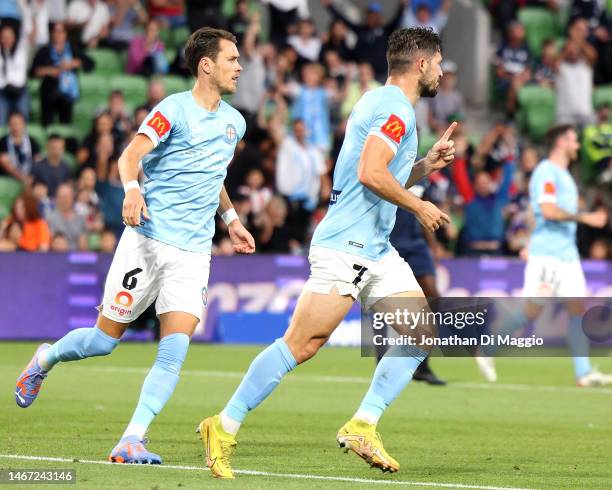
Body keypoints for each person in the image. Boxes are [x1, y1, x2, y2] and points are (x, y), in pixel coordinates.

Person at [198, 27, 456, 479]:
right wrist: (419, 204)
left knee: (421, 333)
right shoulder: (395, 109)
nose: (439, 71)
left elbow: (379, 175)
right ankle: (222, 424)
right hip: (347, 246)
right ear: (421, 64)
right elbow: (371, 172)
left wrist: (425, 166)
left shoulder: (384, 104)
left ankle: (363, 424)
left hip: (375, 247)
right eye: (437, 63)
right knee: (301, 345)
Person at [14, 28, 255, 466]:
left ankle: (131, 439)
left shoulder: (234, 122)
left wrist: (232, 220)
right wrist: (131, 189)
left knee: (174, 349)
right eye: (232, 59)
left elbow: (213, 175)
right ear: (207, 64)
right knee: (103, 342)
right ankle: (44, 359)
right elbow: (130, 156)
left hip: (194, 252)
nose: (240, 66)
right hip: (148, 240)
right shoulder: (172, 110)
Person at [479, 125, 612, 387]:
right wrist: (586, 217)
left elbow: (538, 213)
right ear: (561, 142)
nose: (577, 145)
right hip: (548, 256)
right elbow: (548, 211)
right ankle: (487, 349)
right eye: (574, 139)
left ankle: (583, 372)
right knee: (530, 311)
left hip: (567, 254)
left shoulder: (564, 175)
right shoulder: (546, 172)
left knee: (576, 308)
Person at [30, 22, 93, 126]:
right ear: (51, 33)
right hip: (48, 94)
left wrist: (74, 63)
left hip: (67, 95)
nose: (58, 34)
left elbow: (90, 64)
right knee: (47, 125)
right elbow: (33, 71)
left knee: (66, 126)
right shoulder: (44, 51)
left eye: (61, 31)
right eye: (55, 31)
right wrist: (51, 70)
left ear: (65, 34)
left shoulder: (73, 49)